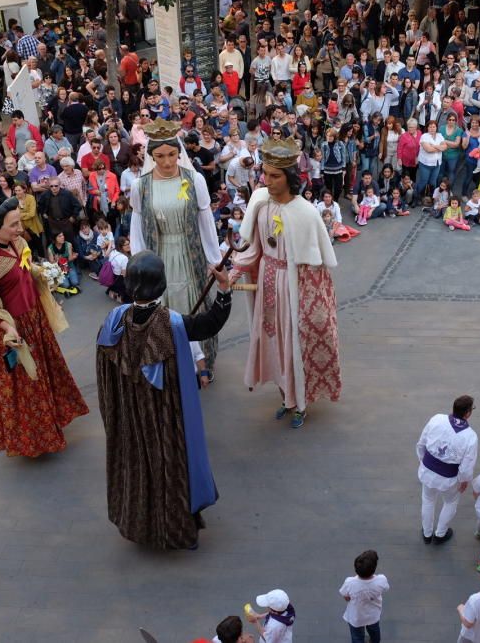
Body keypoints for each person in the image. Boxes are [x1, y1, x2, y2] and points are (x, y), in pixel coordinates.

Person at [96, 250, 232, 549]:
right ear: (162, 284)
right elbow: (210, 323)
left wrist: (115, 419)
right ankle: (177, 529)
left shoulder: (113, 323)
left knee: (139, 467)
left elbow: (105, 380)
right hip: (167, 421)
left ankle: (141, 526)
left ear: (129, 285)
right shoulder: (173, 324)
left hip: (131, 420)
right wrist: (223, 288)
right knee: (171, 468)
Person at [230, 138, 342, 428]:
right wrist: (230, 275)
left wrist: (312, 306)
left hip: (293, 287)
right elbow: (252, 249)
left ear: (290, 177)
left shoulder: (305, 212)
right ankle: (286, 397)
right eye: (265, 173)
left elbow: (316, 269)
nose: (267, 180)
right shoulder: (259, 201)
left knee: (293, 345)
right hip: (267, 282)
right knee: (273, 342)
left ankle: (300, 405)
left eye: (274, 175)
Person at [0, 198, 89, 457]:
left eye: (19, 222)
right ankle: (37, 440)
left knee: (46, 370)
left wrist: (44, 275)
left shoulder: (19, 243)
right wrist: (8, 330)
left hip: (35, 319)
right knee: (28, 384)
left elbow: (27, 269)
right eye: (13, 225)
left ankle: (53, 421)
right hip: (16, 328)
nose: (19, 228)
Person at [129, 119, 222, 368]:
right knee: (163, 306)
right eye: (160, 156)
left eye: (172, 154)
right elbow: (137, 225)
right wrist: (139, 264)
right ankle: (169, 362)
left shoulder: (194, 180)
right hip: (159, 256)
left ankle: (201, 363)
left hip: (190, 253)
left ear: (179, 153)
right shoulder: (141, 186)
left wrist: (214, 259)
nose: (167, 162)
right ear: (151, 156)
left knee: (194, 304)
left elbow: (205, 220)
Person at [416, 395, 479, 545]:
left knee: (428, 500)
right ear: (468, 413)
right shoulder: (470, 436)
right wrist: (464, 480)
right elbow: (467, 465)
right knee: (450, 502)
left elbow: (421, 443)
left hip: (428, 470)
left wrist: (423, 461)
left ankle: (427, 533)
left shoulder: (437, 419)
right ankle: (440, 534)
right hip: (449, 477)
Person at [339, 549, 389, 643]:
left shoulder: (350, 582)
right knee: (374, 631)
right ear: (374, 568)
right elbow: (385, 589)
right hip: (373, 614)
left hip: (356, 616)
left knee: (357, 636)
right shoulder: (381, 580)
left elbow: (346, 597)